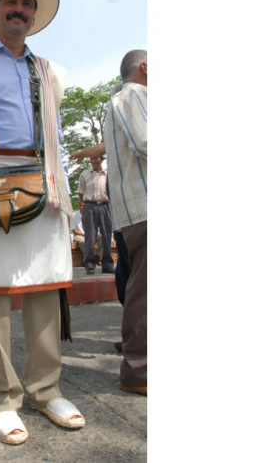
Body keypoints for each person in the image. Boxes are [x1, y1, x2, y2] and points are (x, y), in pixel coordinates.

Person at [0, 0, 85, 447]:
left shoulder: (51, 71)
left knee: (45, 289)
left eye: (26, 5)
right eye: (10, 2)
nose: (18, 9)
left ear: (34, 17)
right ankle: (2, 399)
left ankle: (46, 390)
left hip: (45, 178)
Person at [103, 50, 147, 395]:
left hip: (137, 209)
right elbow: (147, 141)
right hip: (146, 208)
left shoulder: (124, 98)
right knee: (145, 292)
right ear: (145, 67)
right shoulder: (135, 95)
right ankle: (139, 370)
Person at [77, 156, 115, 274]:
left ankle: (107, 264)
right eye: (91, 159)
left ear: (102, 159)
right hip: (89, 207)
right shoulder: (85, 174)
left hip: (105, 206)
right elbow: (80, 193)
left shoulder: (108, 174)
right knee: (90, 237)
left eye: (96, 158)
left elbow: (112, 190)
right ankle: (89, 264)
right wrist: (84, 206)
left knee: (107, 236)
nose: (93, 161)